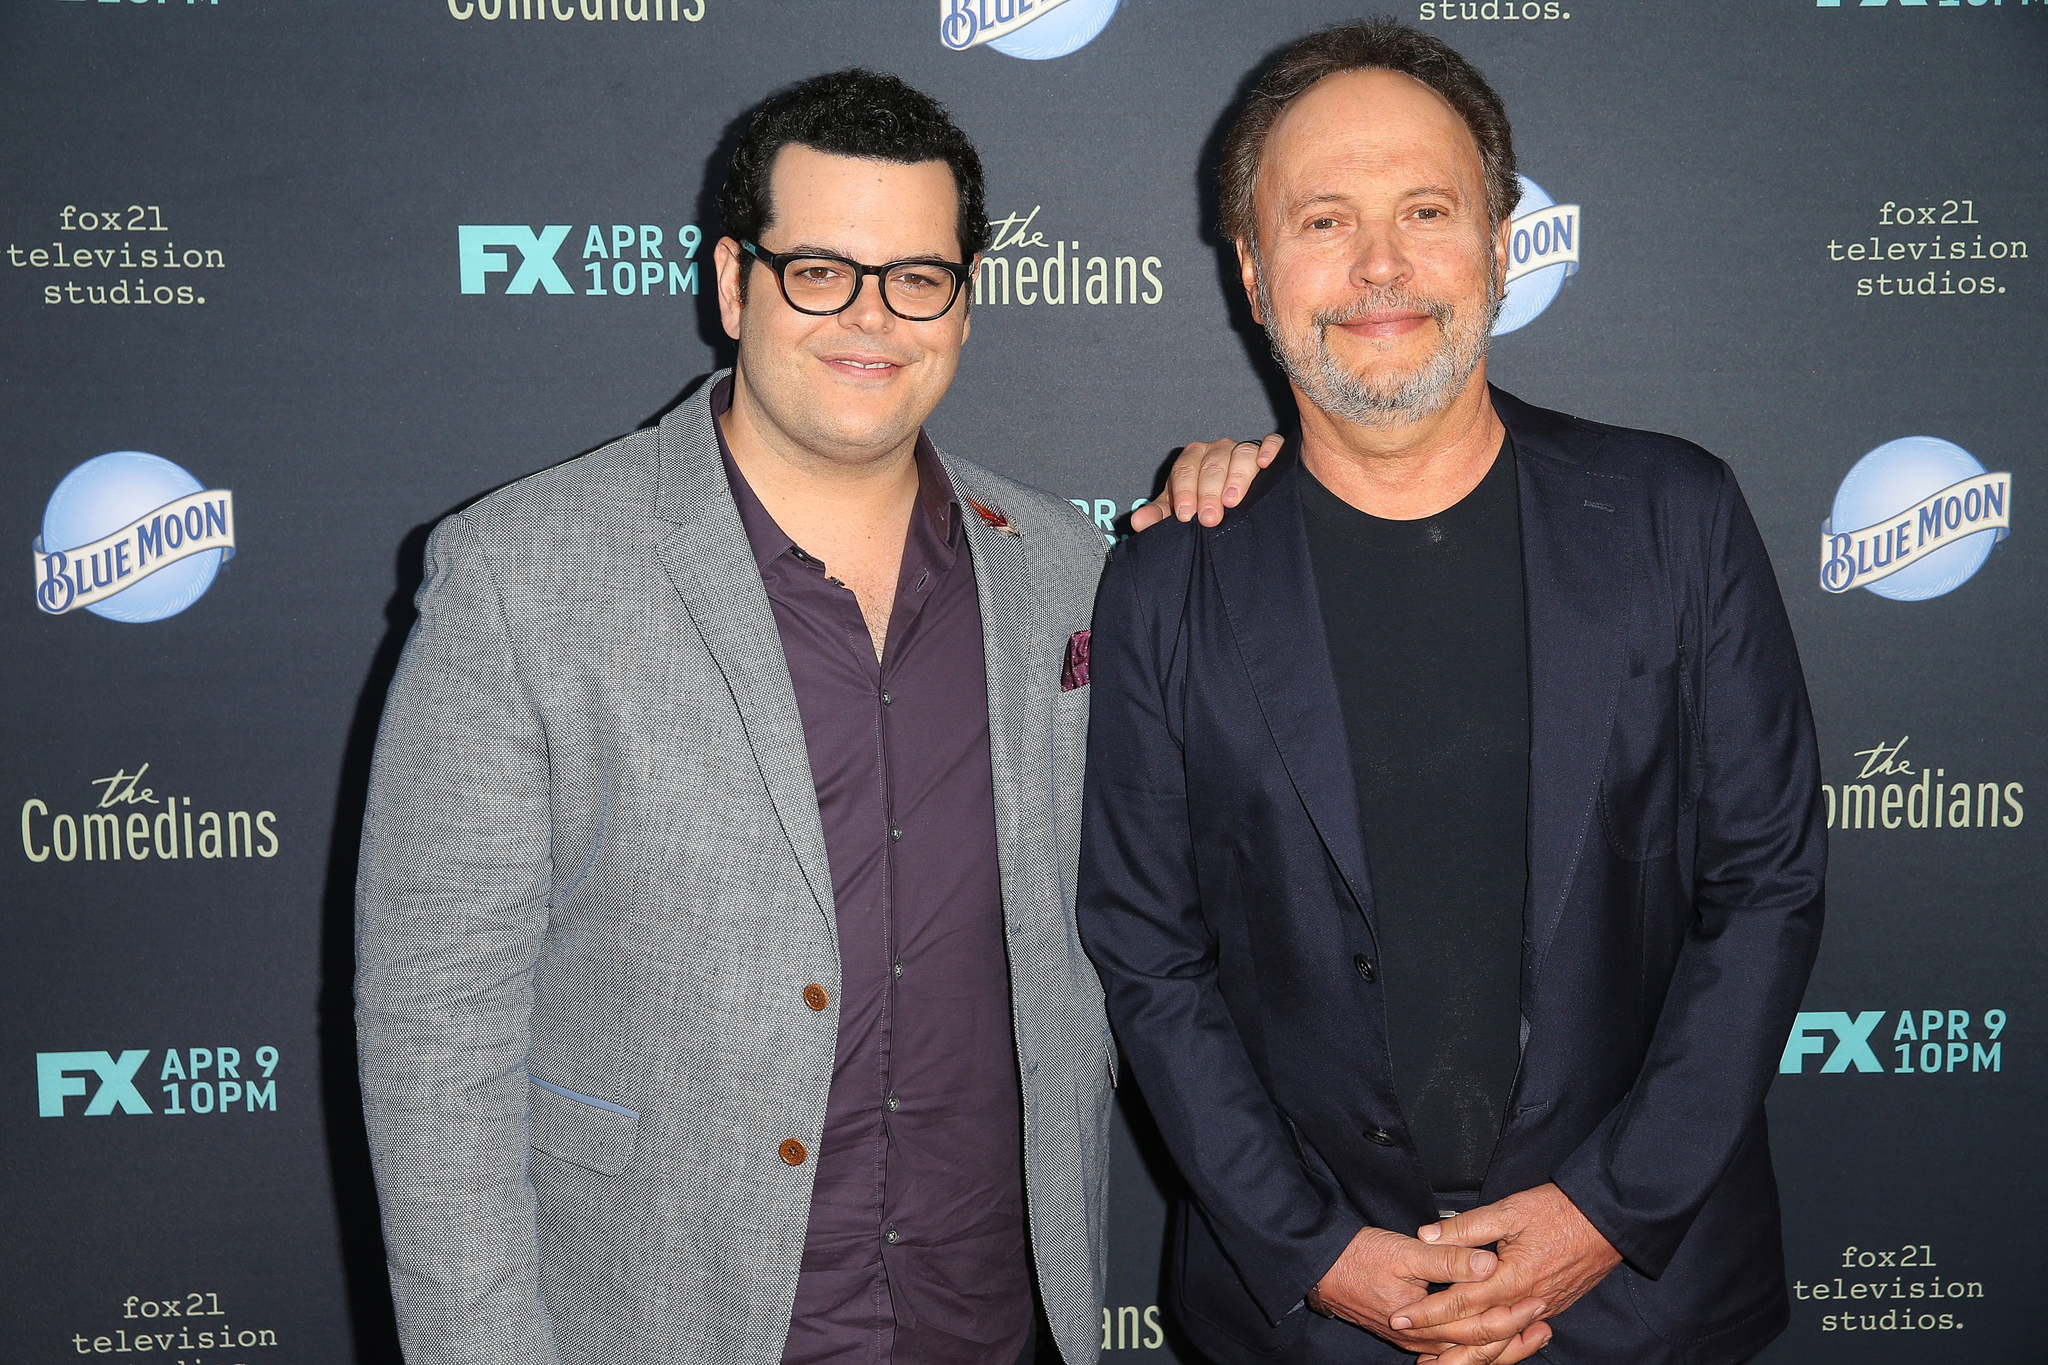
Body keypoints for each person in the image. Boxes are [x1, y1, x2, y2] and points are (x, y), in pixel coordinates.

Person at [354, 69, 1265, 1365]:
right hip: (669, 1322)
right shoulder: (521, 572)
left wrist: (1268, 499)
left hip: (994, 1324)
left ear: (962, 302)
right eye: (820, 270)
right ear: (735, 283)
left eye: (917, 276)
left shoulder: (1066, 567)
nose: (872, 317)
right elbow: (434, 1031)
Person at [1078, 19, 1825, 1365]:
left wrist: (1607, 1210)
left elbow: (1765, 885)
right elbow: (1149, 951)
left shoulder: (1675, 514)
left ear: (1498, 242)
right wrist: (1315, 1251)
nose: (1380, 265)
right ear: (1253, 273)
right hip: (1309, 1322)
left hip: (1638, 1303)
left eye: (1426, 210)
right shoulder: (1165, 582)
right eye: (1323, 219)